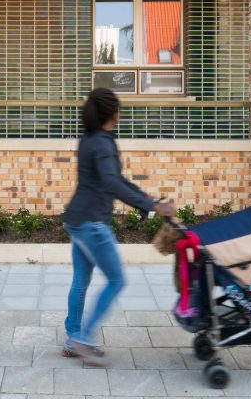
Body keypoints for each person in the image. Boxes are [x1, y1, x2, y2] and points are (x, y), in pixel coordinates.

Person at [62, 88, 174, 366]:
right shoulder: (102, 144)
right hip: (92, 224)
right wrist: (153, 206)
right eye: (119, 109)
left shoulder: (90, 140)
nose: (120, 113)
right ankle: (84, 339)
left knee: (80, 282)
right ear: (112, 113)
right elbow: (112, 183)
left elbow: (114, 179)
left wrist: (142, 198)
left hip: (77, 219)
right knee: (117, 280)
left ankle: (73, 336)